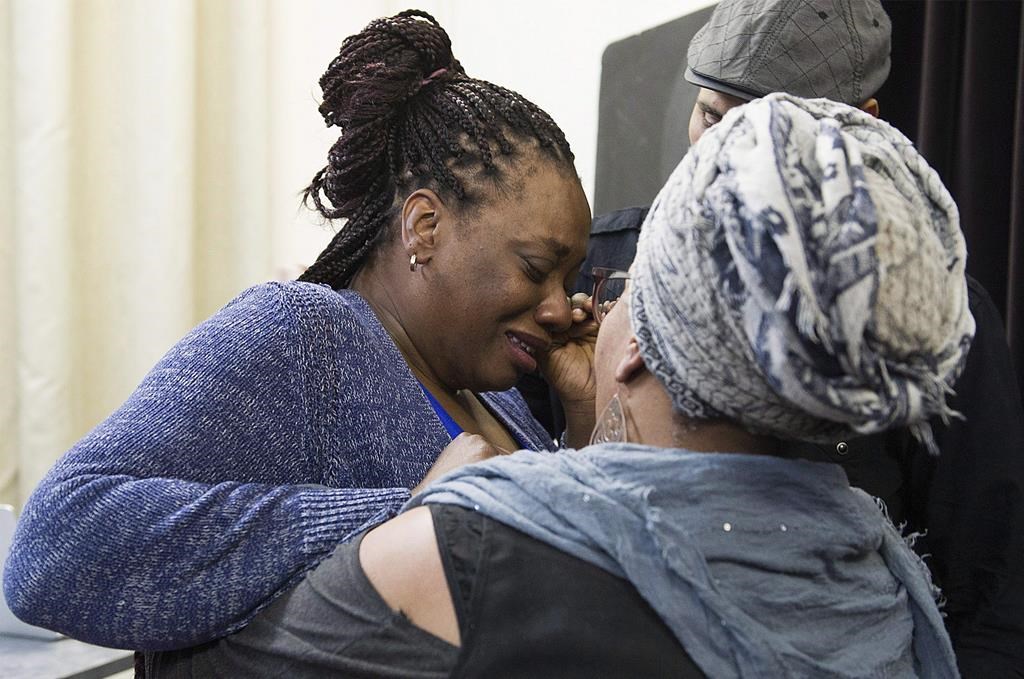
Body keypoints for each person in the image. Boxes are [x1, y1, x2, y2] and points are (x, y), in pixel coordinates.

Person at [148, 94, 968, 678]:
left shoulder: (471, 552)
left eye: (615, 283)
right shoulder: (873, 571)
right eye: (539, 269)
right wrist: (588, 423)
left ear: (640, 345)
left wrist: (420, 516)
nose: (569, 308)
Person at [2, 10, 597, 656]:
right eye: (537, 270)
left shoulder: (502, 395)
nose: (559, 308)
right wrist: (401, 523)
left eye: (568, 280)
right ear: (425, 228)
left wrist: (590, 419)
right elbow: (54, 546)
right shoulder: (305, 338)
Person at [562, 1, 1024, 673]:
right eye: (713, 119)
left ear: (862, 127)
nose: (719, 156)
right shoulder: (601, 269)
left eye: (758, 137)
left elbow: (992, 609)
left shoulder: (936, 324)